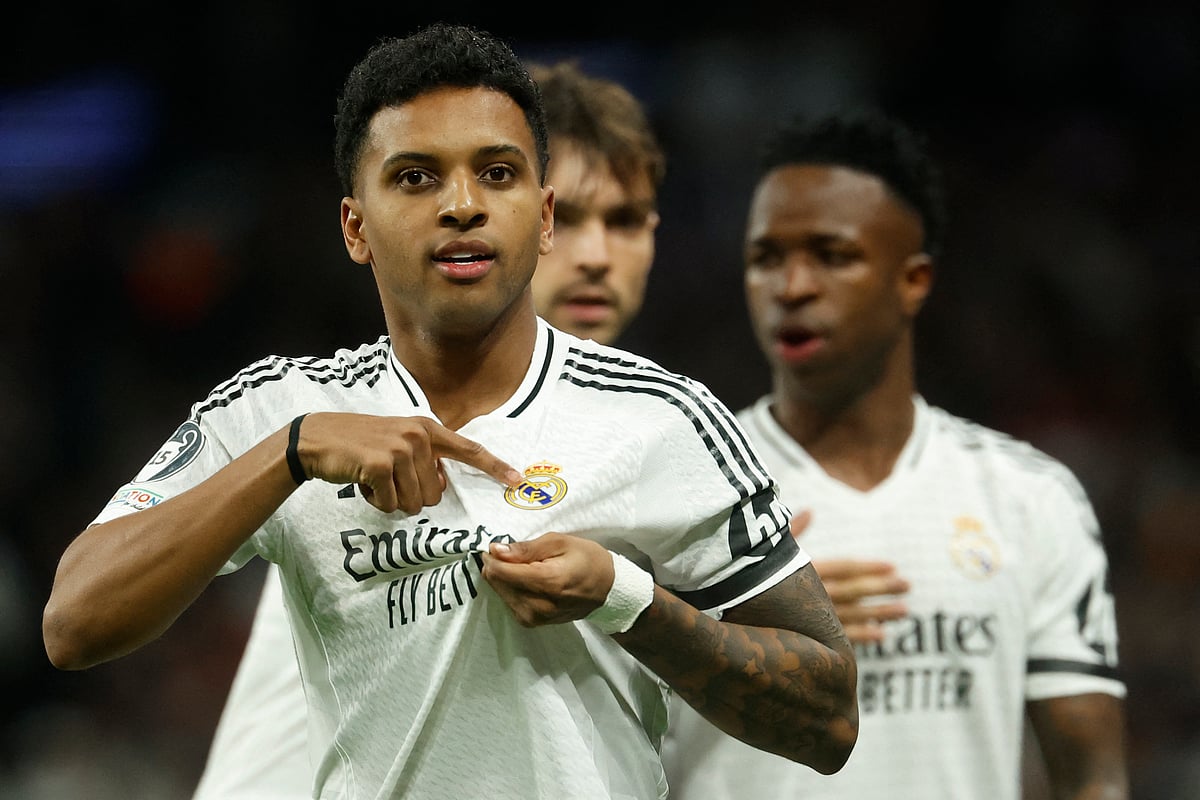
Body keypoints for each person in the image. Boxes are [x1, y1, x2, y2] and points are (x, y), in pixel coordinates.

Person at [42, 23, 858, 800]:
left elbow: (829, 718)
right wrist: (290, 453)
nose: (462, 204)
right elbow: (74, 624)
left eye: (497, 173)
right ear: (355, 228)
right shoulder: (280, 408)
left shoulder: (661, 416)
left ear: (541, 219)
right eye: (416, 176)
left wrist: (625, 597)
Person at [190, 58, 667, 800]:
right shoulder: (347, 480)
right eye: (568, 218)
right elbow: (259, 777)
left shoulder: (669, 449)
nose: (596, 256)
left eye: (624, 219)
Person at [661, 108, 1128, 800]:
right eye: (767, 258)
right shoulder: (676, 482)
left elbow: (1092, 776)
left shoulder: (1030, 496)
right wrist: (743, 639)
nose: (791, 287)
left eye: (832, 255)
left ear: (913, 281)